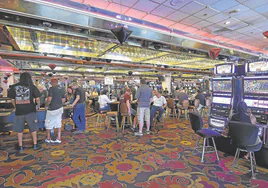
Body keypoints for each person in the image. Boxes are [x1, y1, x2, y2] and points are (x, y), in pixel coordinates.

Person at [9, 72, 41, 152]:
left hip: (19, 111)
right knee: (33, 128)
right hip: (30, 110)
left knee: (19, 130)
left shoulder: (14, 87)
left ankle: (20, 146)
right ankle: (35, 144)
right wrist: (38, 105)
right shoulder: (32, 87)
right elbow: (37, 98)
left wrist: (16, 106)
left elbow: (12, 99)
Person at [44, 78, 65, 143]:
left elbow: (49, 99)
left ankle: (48, 138)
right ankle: (58, 138)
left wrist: (46, 105)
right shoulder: (62, 89)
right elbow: (63, 99)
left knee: (48, 123)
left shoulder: (51, 89)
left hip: (52, 109)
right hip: (60, 108)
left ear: (52, 83)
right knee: (58, 123)